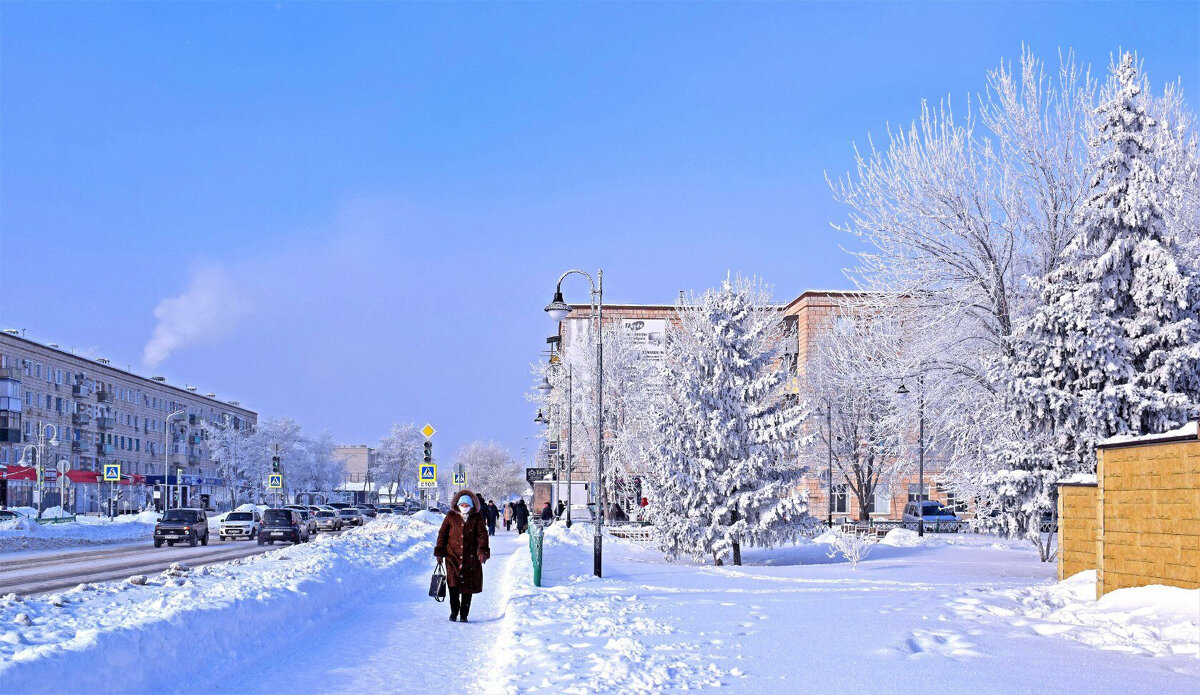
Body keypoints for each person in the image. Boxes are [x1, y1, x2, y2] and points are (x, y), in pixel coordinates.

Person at [434, 489, 491, 623]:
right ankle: (454, 612)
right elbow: (442, 534)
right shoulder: (450, 516)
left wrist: (482, 551)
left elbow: (483, 535)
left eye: (467, 505)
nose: (464, 508)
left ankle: (464, 614)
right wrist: (439, 553)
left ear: (472, 506)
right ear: (457, 505)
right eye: (462, 505)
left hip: (470, 559)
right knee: (452, 586)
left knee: (467, 588)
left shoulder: (476, 518)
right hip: (452, 557)